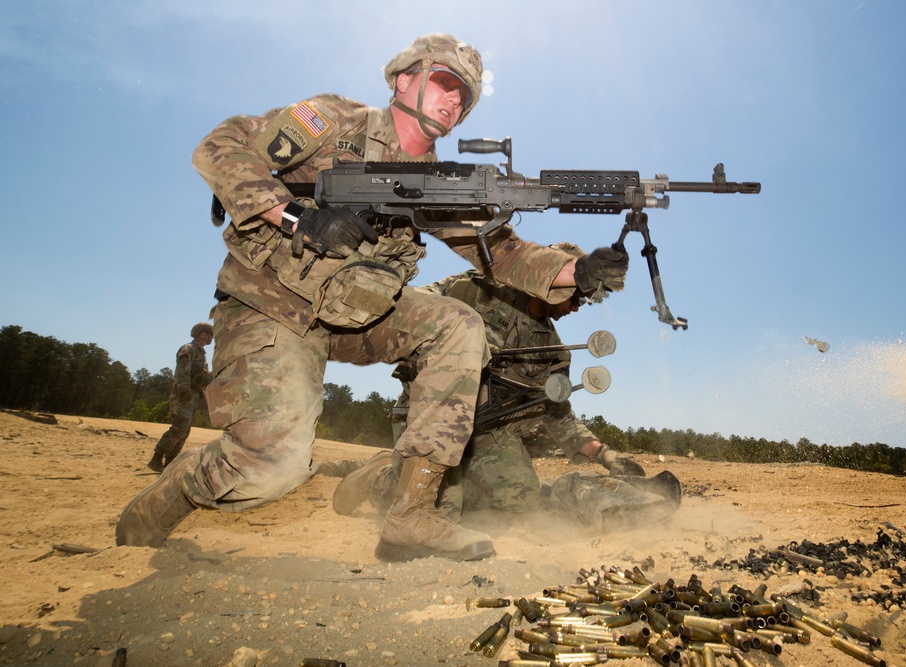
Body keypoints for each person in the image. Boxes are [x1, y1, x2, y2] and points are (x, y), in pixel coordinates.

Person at [115, 33, 628, 563]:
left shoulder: (442, 184)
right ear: (405, 79)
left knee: (459, 326)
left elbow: (508, 254)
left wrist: (580, 271)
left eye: (466, 98)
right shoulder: (335, 121)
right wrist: (295, 216)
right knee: (268, 468)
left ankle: (410, 515)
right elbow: (221, 146)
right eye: (447, 82)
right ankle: (177, 490)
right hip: (270, 302)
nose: (455, 101)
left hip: (358, 318)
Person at [333, 246, 650, 520]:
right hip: (430, 416)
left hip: (487, 433)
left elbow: (558, 415)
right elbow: (408, 313)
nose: (577, 306)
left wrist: (605, 454)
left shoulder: (555, 353)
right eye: (577, 294)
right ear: (552, 281)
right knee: (437, 510)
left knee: (520, 501)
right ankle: (379, 477)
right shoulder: (477, 289)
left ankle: (459, 484)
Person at [147, 323, 214, 473]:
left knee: (184, 431)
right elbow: (182, 371)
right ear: (202, 334)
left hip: (193, 395)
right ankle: (156, 458)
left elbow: (202, 376)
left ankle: (170, 463)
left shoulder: (201, 353)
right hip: (184, 394)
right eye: (210, 333)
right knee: (179, 428)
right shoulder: (188, 349)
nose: (212, 337)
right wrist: (184, 390)